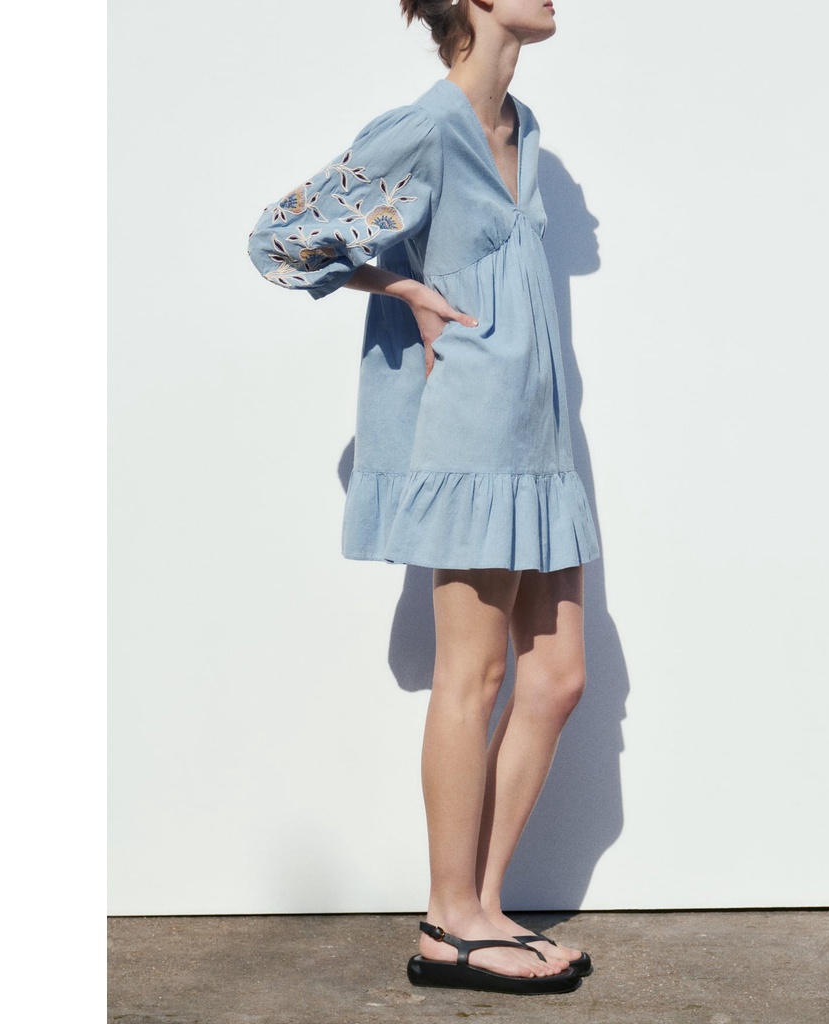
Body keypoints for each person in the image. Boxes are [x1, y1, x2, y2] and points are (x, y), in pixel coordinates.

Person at [248, 0, 598, 996]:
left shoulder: (521, 128)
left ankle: (482, 907)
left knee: (558, 677)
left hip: (541, 441)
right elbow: (280, 238)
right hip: (474, 433)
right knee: (472, 674)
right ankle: (452, 921)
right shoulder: (428, 127)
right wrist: (403, 290)